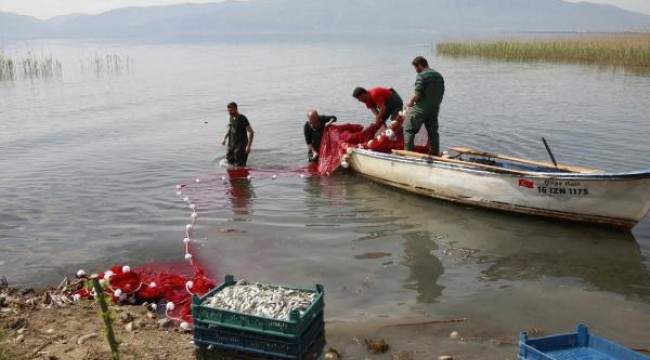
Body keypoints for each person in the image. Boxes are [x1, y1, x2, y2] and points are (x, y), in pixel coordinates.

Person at [404, 56, 445, 155]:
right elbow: (442, 92)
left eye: (416, 67)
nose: (416, 70)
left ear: (419, 65)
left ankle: (408, 155)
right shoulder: (439, 75)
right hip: (435, 108)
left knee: (409, 129)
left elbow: (418, 94)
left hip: (421, 108)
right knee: (433, 132)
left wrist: (409, 103)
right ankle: (435, 153)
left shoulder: (422, 76)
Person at [221, 102, 254, 167]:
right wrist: (224, 138)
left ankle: (242, 176)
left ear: (236, 109)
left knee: (240, 166)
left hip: (241, 145)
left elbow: (251, 132)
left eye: (231, 110)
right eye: (228, 111)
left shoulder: (242, 118)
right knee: (229, 162)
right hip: (231, 145)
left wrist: (248, 146)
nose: (229, 112)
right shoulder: (231, 117)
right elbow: (230, 128)